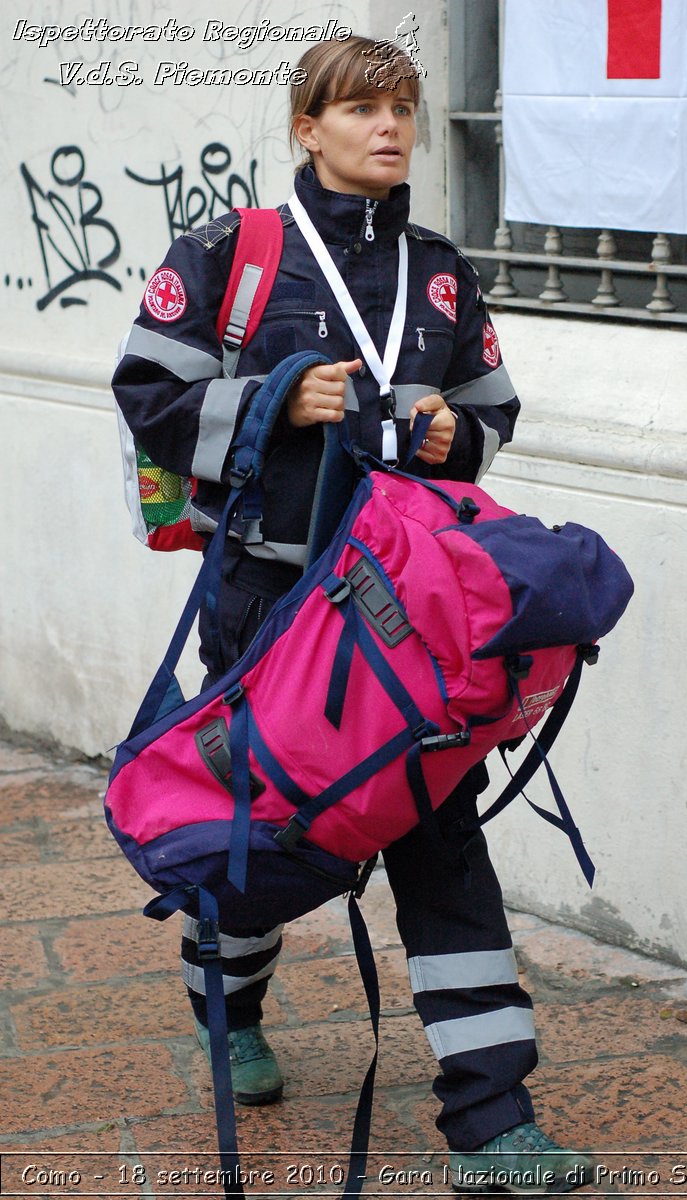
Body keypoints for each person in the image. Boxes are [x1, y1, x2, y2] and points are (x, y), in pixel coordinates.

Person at [112, 34, 594, 1195]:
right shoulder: (232, 249)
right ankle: (230, 1017)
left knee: (441, 836)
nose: (390, 127)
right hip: (269, 600)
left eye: (404, 109)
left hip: (407, 616)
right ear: (307, 127)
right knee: (263, 829)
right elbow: (147, 393)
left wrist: (452, 438)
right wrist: (270, 404)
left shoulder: (438, 269)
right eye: (362, 108)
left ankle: (491, 1121)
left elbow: (491, 414)